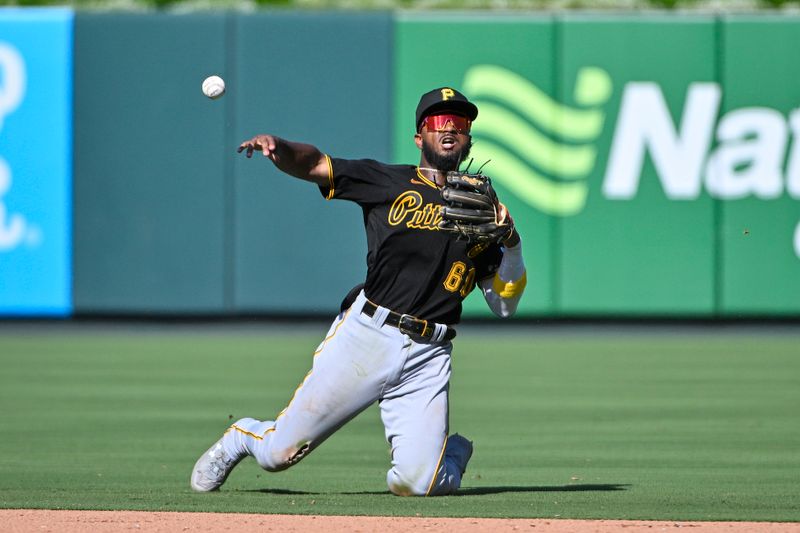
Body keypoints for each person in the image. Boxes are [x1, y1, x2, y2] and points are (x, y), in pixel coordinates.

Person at [190, 87, 527, 496]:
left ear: (469, 138)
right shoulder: (388, 181)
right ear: (420, 136)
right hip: (368, 337)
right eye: (439, 122)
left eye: (460, 123)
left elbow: (504, 306)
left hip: (430, 354)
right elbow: (315, 164)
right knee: (278, 455)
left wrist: (511, 242)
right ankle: (242, 437)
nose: (450, 128)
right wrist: (279, 148)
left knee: (417, 484)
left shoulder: (484, 212)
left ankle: (449, 454)